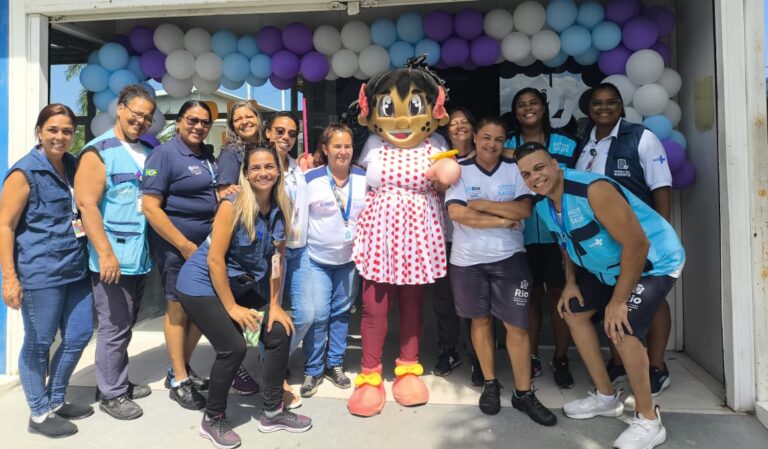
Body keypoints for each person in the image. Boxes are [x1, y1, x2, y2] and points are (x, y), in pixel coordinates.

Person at [516, 143, 684, 449]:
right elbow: (565, 243)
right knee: (573, 311)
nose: (534, 177)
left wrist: (618, 302)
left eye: (539, 168)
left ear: (555, 164)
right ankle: (606, 397)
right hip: (608, 268)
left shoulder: (592, 190)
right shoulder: (542, 205)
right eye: (526, 174)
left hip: (653, 263)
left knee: (622, 329)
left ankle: (649, 419)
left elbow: (638, 244)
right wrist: (570, 282)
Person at [176, 143, 312, 449]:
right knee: (233, 347)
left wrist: (274, 304)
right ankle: (213, 419)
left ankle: (273, 412)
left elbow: (277, 259)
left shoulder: (282, 205)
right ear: (246, 174)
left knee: (279, 331)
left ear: (278, 171)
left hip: (238, 284)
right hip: (201, 284)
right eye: (256, 168)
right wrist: (232, 308)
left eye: (269, 166)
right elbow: (214, 261)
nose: (263, 173)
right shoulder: (232, 205)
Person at [348, 58, 460, 417]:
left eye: (413, 108)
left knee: (413, 304)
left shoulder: (435, 144)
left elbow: (447, 175)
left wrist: (447, 169)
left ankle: (408, 367)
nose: (399, 121)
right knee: (374, 306)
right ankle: (369, 374)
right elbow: (353, 180)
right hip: (378, 236)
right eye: (388, 109)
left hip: (418, 236)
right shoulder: (371, 147)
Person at [445, 117, 556, 426]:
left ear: (504, 142)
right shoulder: (459, 170)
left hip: (510, 258)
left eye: (498, 139)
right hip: (467, 260)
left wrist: (480, 203)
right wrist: (501, 220)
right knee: (480, 320)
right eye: (486, 137)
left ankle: (524, 393)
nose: (491, 144)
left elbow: (524, 209)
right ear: (475, 138)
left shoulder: (515, 169)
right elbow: (457, 214)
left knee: (516, 327)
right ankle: (490, 383)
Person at [574, 83, 674, 396]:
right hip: (603, 244)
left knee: (653, 301)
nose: (603, 108)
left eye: (611, 102)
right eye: (597, 103)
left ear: (621, 106)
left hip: (642, 238)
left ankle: (656, 367)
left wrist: (660, 235)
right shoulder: (584, 141)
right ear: (589, 108)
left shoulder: (641, 137)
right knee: (611, 301)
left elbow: (661, 187)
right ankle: (618, 363)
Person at [0, 104, 93, 437]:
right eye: (53, 129)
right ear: (39, 132)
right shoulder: (24, 173)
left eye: (67, 131)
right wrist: (9, 279)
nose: (60, 137)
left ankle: (55, 399)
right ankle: (39, 413)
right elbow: (5, 226)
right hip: (41, 272)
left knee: (79, 334)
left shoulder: (73, 164)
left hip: (75, 268)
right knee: (39, 343)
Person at [74, 85, 156, 420]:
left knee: (126, 323)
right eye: (136, 113)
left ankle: (115, 380)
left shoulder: (148, 151)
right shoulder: (98, 152)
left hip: (140, 256)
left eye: (147, 117)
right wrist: (105, 254)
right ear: (120, 108)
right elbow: (87, 206)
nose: (141, 121)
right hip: (113, 258)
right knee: (113, 326)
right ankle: (111, 394)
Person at [142, 100, 219, 411]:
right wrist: (184, 245)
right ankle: (179, 381)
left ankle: (180, 370)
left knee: (202, 309)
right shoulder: (164, 154)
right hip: (177, 246)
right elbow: (150, 208)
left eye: (204, 122)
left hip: (206, 247)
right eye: (192, 120)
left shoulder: (207, 156)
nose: (198, 126)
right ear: (179, 121)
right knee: (178, 308)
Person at [504, 88, 579, 389]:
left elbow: (574, 183)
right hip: (520, 235)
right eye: (521, 105)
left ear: (544, 108)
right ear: (515, 111)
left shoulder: (565, 142)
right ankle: (532, 356)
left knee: (560, 297)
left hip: (558, 233)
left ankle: (561, 358)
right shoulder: (506, 143)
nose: (528, 108)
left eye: (533, 103)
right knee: (530, 297)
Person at [297, 124, 366, 397]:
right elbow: (298, 219)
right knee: (318, 315)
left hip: (350, 260)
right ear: (325, 149)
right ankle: (313, 369)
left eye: (347, 146)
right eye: (337, 146)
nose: (343, 151)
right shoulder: (310, 179)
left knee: (341, 313)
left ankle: (334, 364)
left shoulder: (364, 178)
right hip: (316, 259)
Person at [215, 100, 265, 396]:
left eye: (249, 117)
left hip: (261, 236)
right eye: (238, 119)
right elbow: (224, 192)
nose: (245, 122)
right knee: (234, 302)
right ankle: (234, 365)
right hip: (239, 238)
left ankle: (257, 357)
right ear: (232, 125)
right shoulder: (231, 152)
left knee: (254, 303)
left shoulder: (266, 147)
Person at [431, 107, 481, 385]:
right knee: (444, 301)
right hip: (444, 239)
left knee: (475, 303)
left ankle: (478, 355)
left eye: (465, 122)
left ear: (474, 129)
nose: (459, 126)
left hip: (476, 240)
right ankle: (448, 350)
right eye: (453, 123)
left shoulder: (485, 157)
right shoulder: (439, 159)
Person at [264, 111, 309, 409]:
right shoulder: (261, 166)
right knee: (272, 315)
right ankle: (274, 376)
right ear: (268, 132)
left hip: (300, 248)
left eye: (292, 133)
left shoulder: (297, 168)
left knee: (307, 313)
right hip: (272, 251)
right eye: (279, 131)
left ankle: (275, 360)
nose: (286, 137)